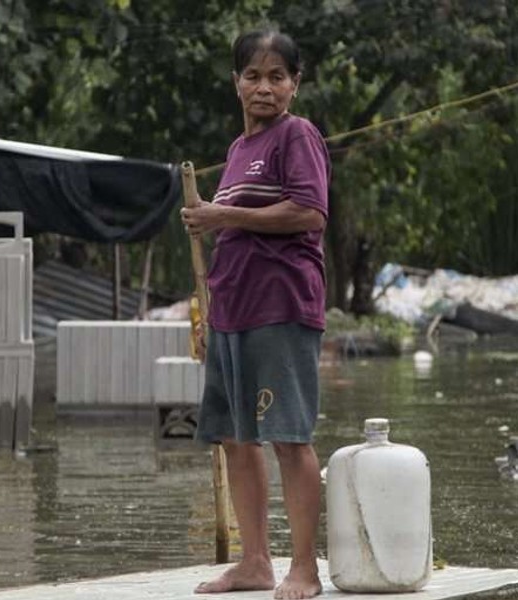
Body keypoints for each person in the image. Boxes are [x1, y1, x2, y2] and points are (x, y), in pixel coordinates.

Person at [181, 29, 330, 600]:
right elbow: (227, 227)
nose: (263, 88)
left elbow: (308, 213)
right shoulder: (240, 151)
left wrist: (222, 216)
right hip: (231, 310)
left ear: (295, 84)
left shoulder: (299, 135)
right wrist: (208, 309)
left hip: (280, 307)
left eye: (276, 76)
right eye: (252, 76)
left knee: (288, 437)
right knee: (237, 439)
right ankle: (254, 563)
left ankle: (303, 569)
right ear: (236, 83)